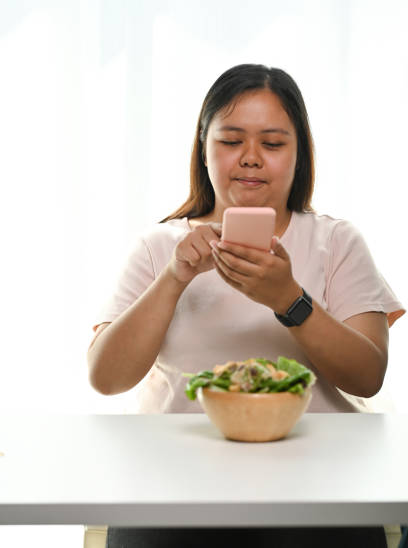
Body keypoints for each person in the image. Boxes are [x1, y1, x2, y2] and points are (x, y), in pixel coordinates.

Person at [87, 64, 405, 548]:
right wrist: (174, 279)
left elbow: (367, 376)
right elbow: (106, 378)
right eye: (231, 140)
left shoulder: (337, 241)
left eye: (273, 144)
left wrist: (290, 302)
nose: (251, 158)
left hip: (321, 492)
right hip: (173, 494)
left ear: (299, 154)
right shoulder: (158, 248)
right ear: (203, 146)